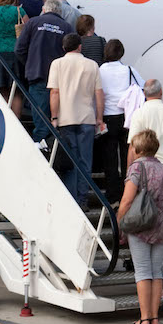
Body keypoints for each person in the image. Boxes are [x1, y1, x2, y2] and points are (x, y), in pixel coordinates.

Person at [118, 131, 163, 324]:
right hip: (162, 225)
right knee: (156, 271)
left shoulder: (136, 167)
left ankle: (144, 318)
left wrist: (120, 221)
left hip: (140, 224)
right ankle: (154, 317)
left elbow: (127, 199)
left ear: (138, 149)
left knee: (142, 271)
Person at [48, 33, 105, 207]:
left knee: (69, 162)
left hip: (65, 119)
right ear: (80, 46)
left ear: (64, 47)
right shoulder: (92, 65)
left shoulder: (57, 64)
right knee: (85, 162)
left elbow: (54, 92)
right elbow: (99, 93)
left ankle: (70, 201)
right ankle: (82, 200)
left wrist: (54, 117)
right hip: (86, 118)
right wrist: (99, 118)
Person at [14, 0, 73, 148]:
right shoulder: (66, 27)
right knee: (57, 121)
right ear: (60, 11)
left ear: (44, 9)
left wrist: (30, 64)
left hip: (37, 76)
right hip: (60, 82)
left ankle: (39, 155)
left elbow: (19, 49)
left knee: (40, 120)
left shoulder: (33, 23)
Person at [97, 40, 140, 200]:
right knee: (126, 155)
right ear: (121, 53)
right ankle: (126, 189)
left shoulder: (100, 70)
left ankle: (111, 192)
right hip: (126, 117)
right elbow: (141, 86)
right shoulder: (128, 70)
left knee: (109, 156)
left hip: (107, 116)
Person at [128, 80, 163, 172]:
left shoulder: (138, 113)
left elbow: (133, 146)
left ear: (144, 93)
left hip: (148, 169)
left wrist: (129, 173)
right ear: (161, 92)